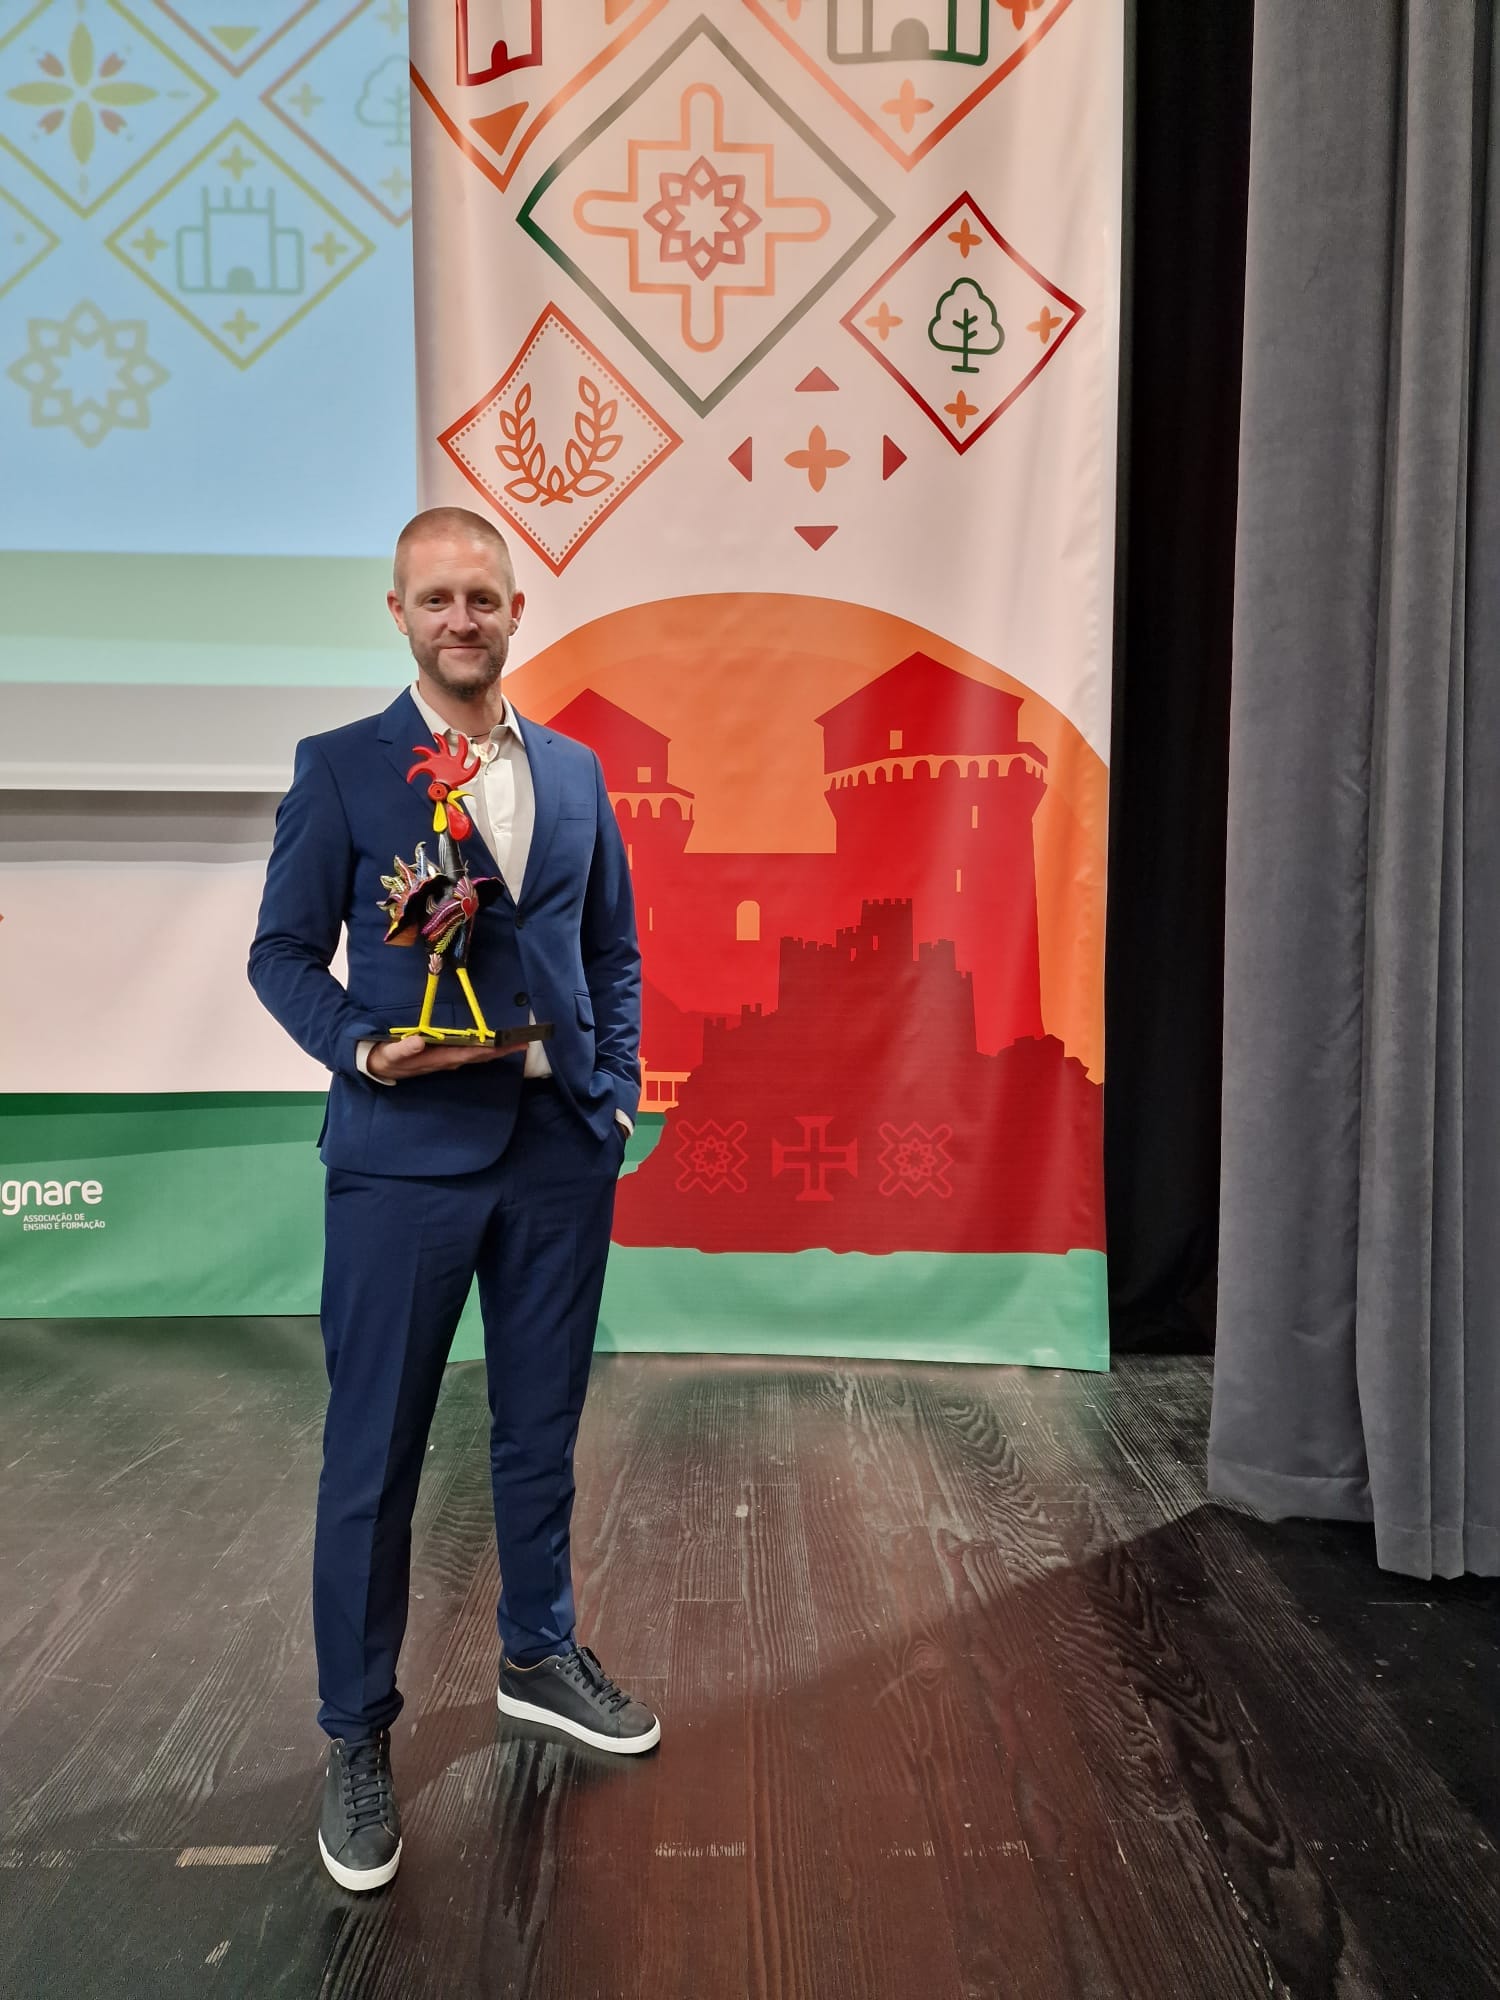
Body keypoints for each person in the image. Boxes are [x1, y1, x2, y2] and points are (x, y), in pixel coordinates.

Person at [249, 506, 658, 1895]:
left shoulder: (578, 771)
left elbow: (611, 948)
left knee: (541, 1431)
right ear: (399, 614)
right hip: (401, 1158)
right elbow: (281, 954)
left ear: (517, 608)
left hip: (556, 1154)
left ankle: (537, 1655)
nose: (462, 619)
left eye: (483, 596)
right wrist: (364, 1049)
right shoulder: (341, 768)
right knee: (373, 1458)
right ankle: (356, 1734)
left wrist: (610, 1093)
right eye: (437, 599)